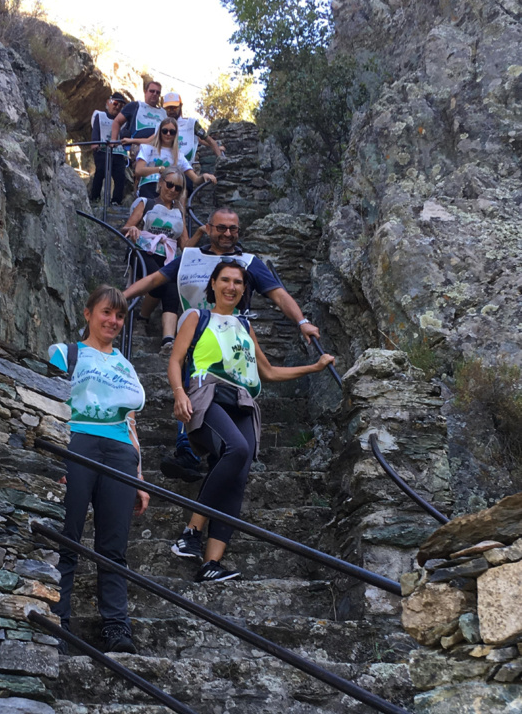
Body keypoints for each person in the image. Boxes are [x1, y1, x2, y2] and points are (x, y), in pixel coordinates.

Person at [123, 206, 321, 481]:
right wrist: (122, 297)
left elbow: (278, 294)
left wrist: (301, 323)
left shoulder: (248, 262)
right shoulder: (190, 257)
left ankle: (205, 452)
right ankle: (192, 451)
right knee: (191, 388)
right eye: (221, 228)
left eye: (233, 229)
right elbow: (155, 279)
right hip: (195, 333)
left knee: (222, 395)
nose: (227, 233)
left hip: (231, 340)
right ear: (208, 228)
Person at [167, 261, 335, 582]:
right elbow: (175, 360)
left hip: (243, 402)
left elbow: (268, 372)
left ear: (245, 289)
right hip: (209, 394)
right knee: (238, 450)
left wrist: (314, 368)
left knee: (238, 475)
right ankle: (190, 532)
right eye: (225, 280)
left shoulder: (244, 327)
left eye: (238, 282)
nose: (231, 287)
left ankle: (211, 564)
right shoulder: (196, 317)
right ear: (213, 284)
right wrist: (179, 394)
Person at [48, 286, 149, 654]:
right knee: (67, 538)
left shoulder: (125, 364)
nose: (113, 321)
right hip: (77, 444)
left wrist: (139, 477)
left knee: (114, 546)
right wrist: (55, 456)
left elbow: (131, 420)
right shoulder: (65, 354)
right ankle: (58, 622)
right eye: (107, 312)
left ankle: (116, 627)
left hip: (120, 452)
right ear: (88, 313)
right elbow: (51, 405)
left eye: (120, 316)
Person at [122, 167, 189, 352]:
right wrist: (133, 230)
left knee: (171, 289)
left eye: (178, 188)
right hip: (143, 252)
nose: (173, 190)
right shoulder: (146, 203)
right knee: (160, 281)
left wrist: (200, 234)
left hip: (168, 255)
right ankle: (141, 318)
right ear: (160, 183)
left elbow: (185, 244)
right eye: (170, 185)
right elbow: (125, 228)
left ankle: (167, 340)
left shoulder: (179, 212)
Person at [133, 118, 217, 201]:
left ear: (175, 134)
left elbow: (195, 179)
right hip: (148, 188)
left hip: (168, 192)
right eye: (165, 131)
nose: (168, 134)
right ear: (159, 132)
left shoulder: (179, 156)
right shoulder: (147, 148)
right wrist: (159, 169)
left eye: (172, 132)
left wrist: (204, 176)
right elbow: (138, 170)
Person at [163, 92, 225, 194]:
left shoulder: (191, 124)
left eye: (174, 107)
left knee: (184, 193)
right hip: (165, 168)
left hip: (185, 168)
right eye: (168, 108)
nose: (171, 111)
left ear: (180, 106)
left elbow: (207, 140)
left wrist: (221, 159)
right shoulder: (162, 125)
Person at [90, 92, 128, 205]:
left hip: (118, 151)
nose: (117, 107)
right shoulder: (99, 116)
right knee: (100, 172)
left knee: (120, 176)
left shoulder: (124, 121)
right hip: (102, 150)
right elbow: (95, 130)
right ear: (108, 102)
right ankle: (95, 198)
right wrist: (95, 143)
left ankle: (116, 201)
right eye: (115, 103)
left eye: (121, 106)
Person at [110, 79, 165, 144]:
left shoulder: (164, 112)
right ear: (145, 92)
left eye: (157, 92)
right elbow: (117, 121)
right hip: (137, 148)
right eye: (152, 91)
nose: (155, 94)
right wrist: (113, 140)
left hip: (158, 148)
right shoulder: (135, 106)